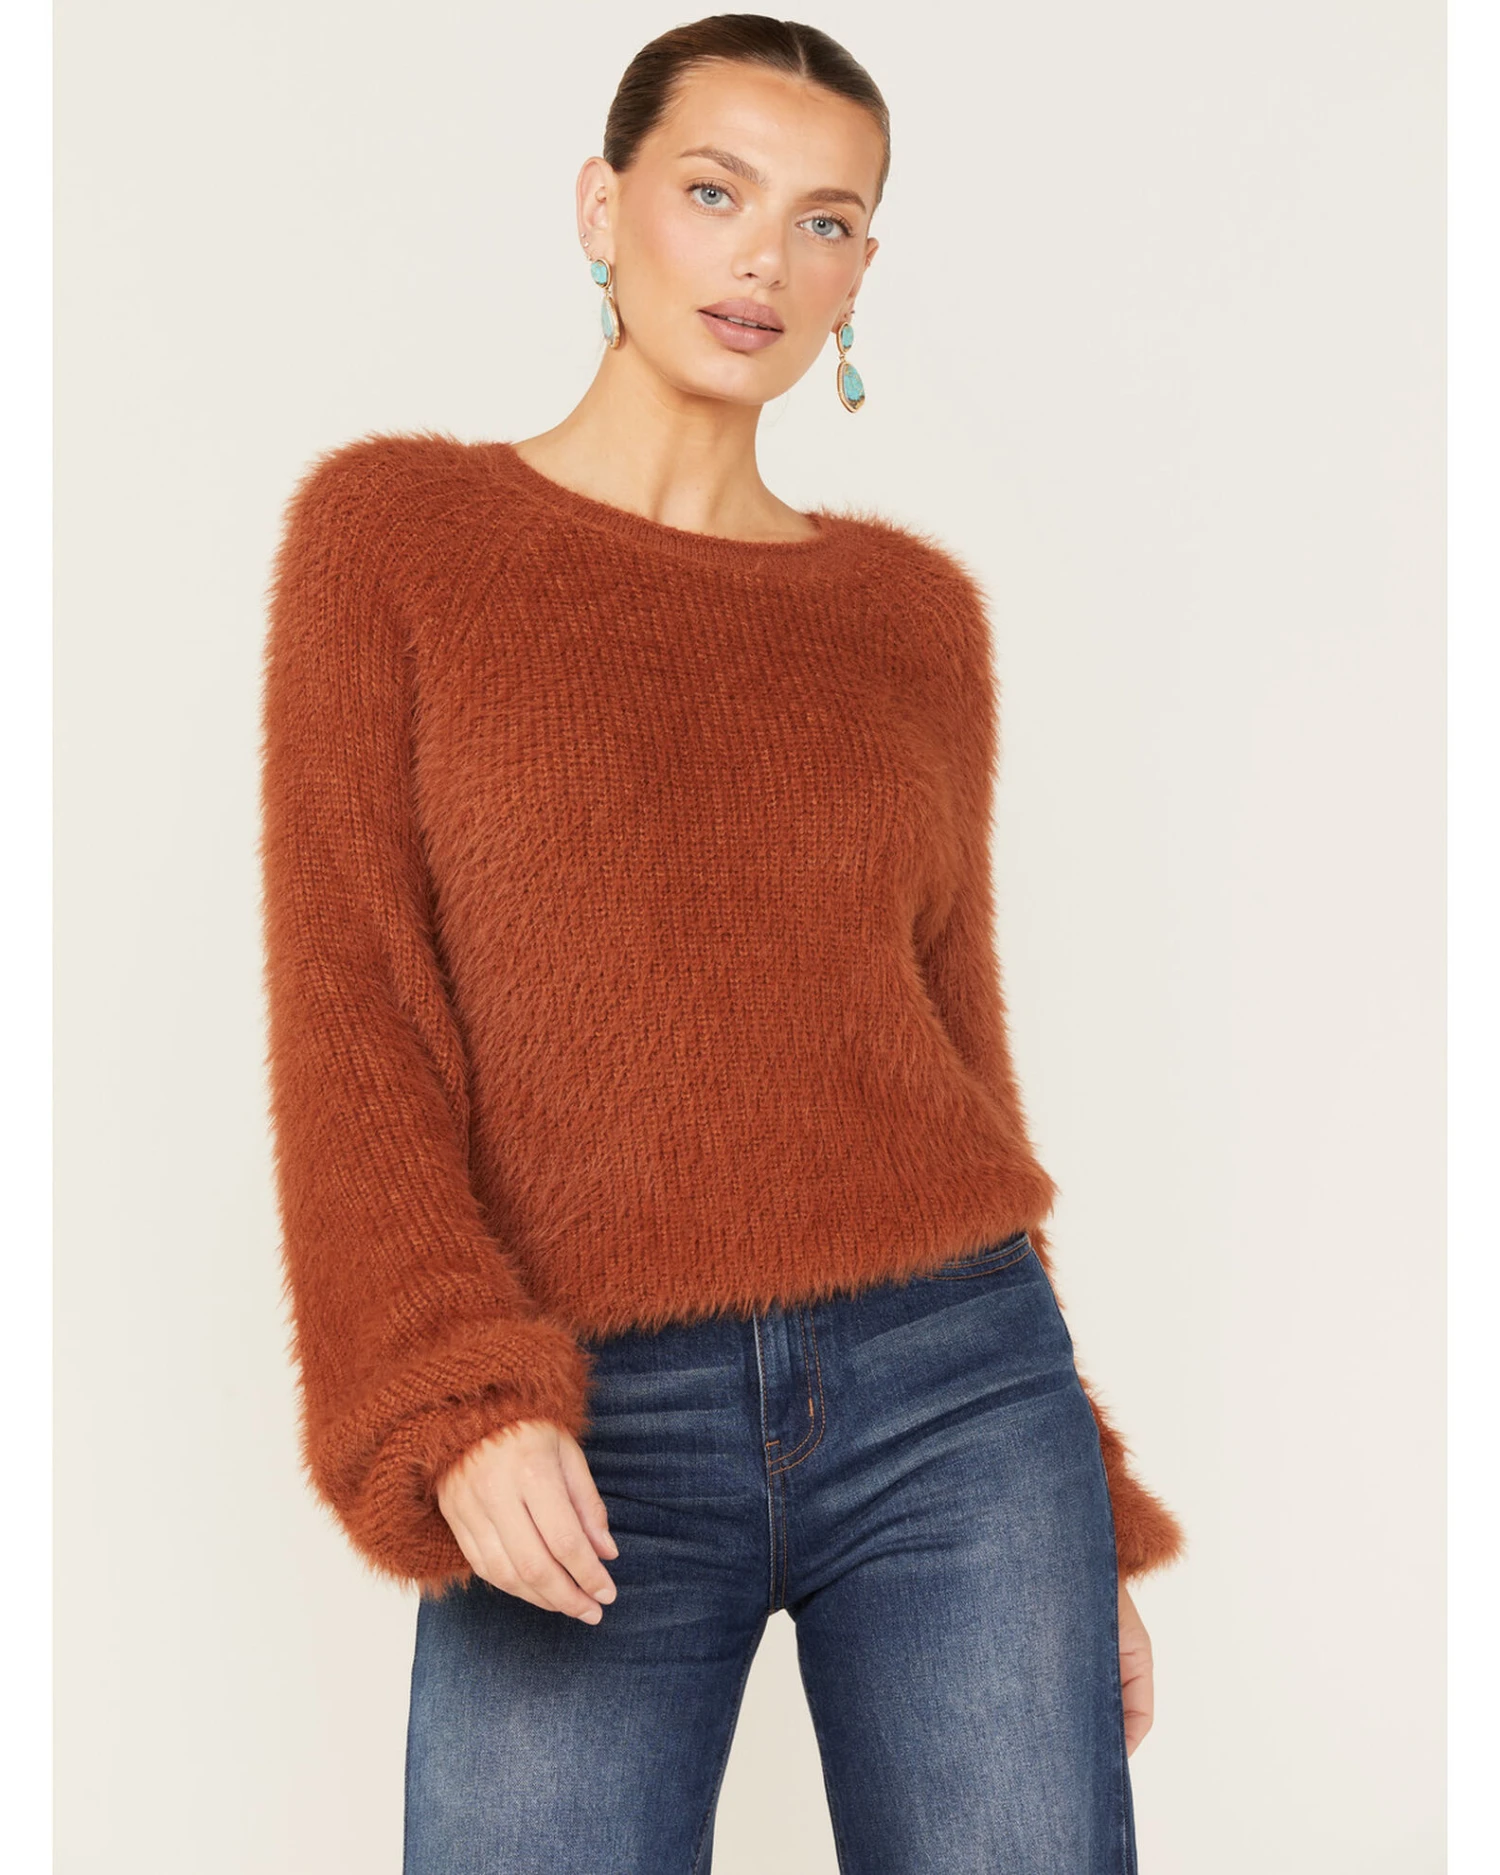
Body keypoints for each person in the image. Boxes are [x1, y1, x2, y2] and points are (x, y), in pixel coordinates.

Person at [258, 15, 1186, 1873]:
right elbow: (352, 1013)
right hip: (578, 1402)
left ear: (860, 273)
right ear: (601, 208)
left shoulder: (912, 617)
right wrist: (455, 1396)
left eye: (825, 221)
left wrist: (1075, 1500)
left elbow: (953, 1051)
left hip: (958, 1396)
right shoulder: (396, 539)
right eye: (714, 191)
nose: (766, 256)